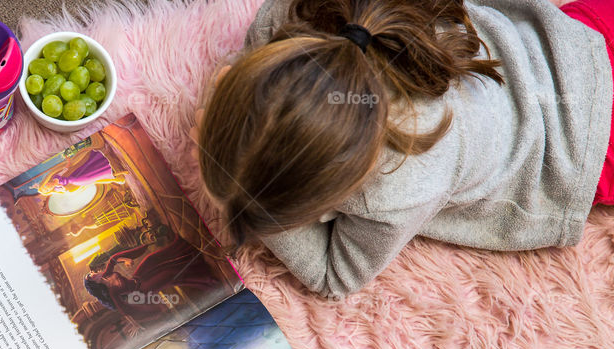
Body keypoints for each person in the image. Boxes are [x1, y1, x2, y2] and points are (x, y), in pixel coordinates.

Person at [194, 0, 614, 298]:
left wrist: (261, 215)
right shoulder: (292, 14)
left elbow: (334, 277)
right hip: (574, 36)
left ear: (336, 197)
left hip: (584, 144)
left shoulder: (401, 183)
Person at [83, 236, 221, 325]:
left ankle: (187, 252)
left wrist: (126, 260)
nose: (94, 273)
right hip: (143, 289)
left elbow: (113, 259)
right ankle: (203, 276)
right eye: (91, 276)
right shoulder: (112, 292)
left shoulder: (107, 274)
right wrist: (136, 326)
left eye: (91, 272)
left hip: (138, 278)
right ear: (95, 283)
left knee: (150, 259)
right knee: (168, 275)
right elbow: (125, 310)